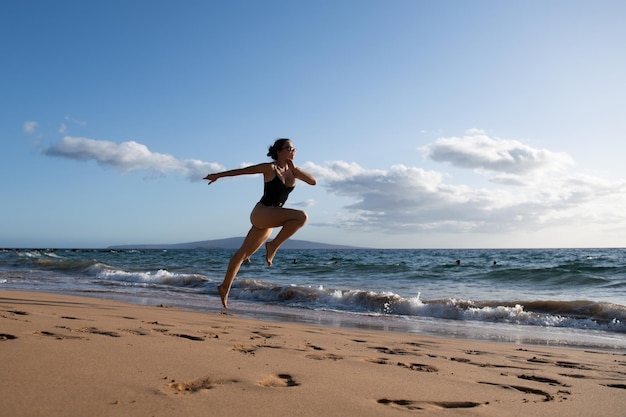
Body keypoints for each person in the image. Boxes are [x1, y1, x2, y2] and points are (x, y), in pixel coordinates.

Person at [203, 138, 317, 309]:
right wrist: (218, 176)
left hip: (271, 219)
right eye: (289, 148)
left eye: (294, 148)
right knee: (302, 216)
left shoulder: (294, 172)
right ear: (279, 151)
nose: (293, 151)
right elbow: (243, 171)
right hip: (262, 212)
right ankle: (273, 246)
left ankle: (224, 287)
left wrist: (296, 170)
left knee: (243, 254)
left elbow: (313, 181)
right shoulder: (269, 168)